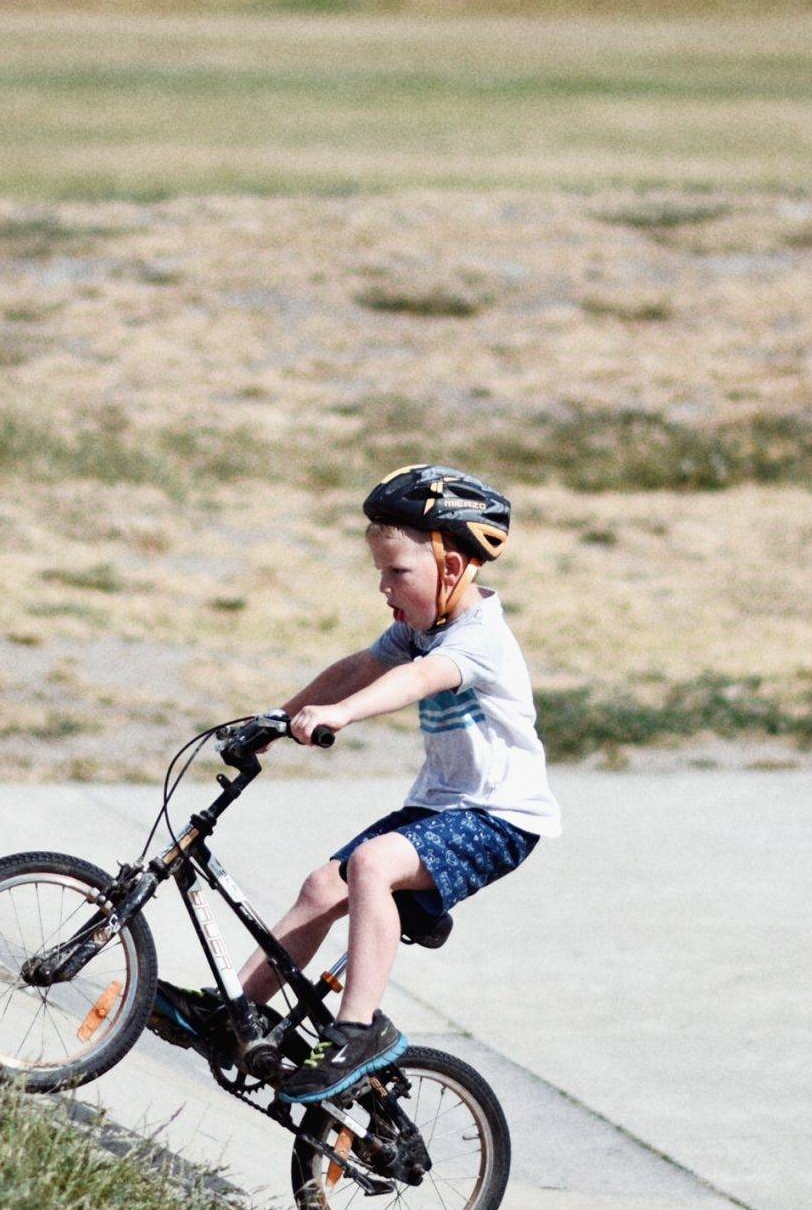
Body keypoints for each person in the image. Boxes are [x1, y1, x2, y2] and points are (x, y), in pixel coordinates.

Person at [154, 464, 559, 1103]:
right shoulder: (420, 629)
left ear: (451, 569)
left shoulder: (480, 639)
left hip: (500, 816)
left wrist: (341, 715)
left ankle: (358, 1030)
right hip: (439, 806)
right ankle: (235, 1012)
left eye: (397, 573)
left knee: (371, 865)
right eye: (379, 573)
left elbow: (413, 681)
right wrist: (277, 720)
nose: (383, 587)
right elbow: (362, 665)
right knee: (323, 885)